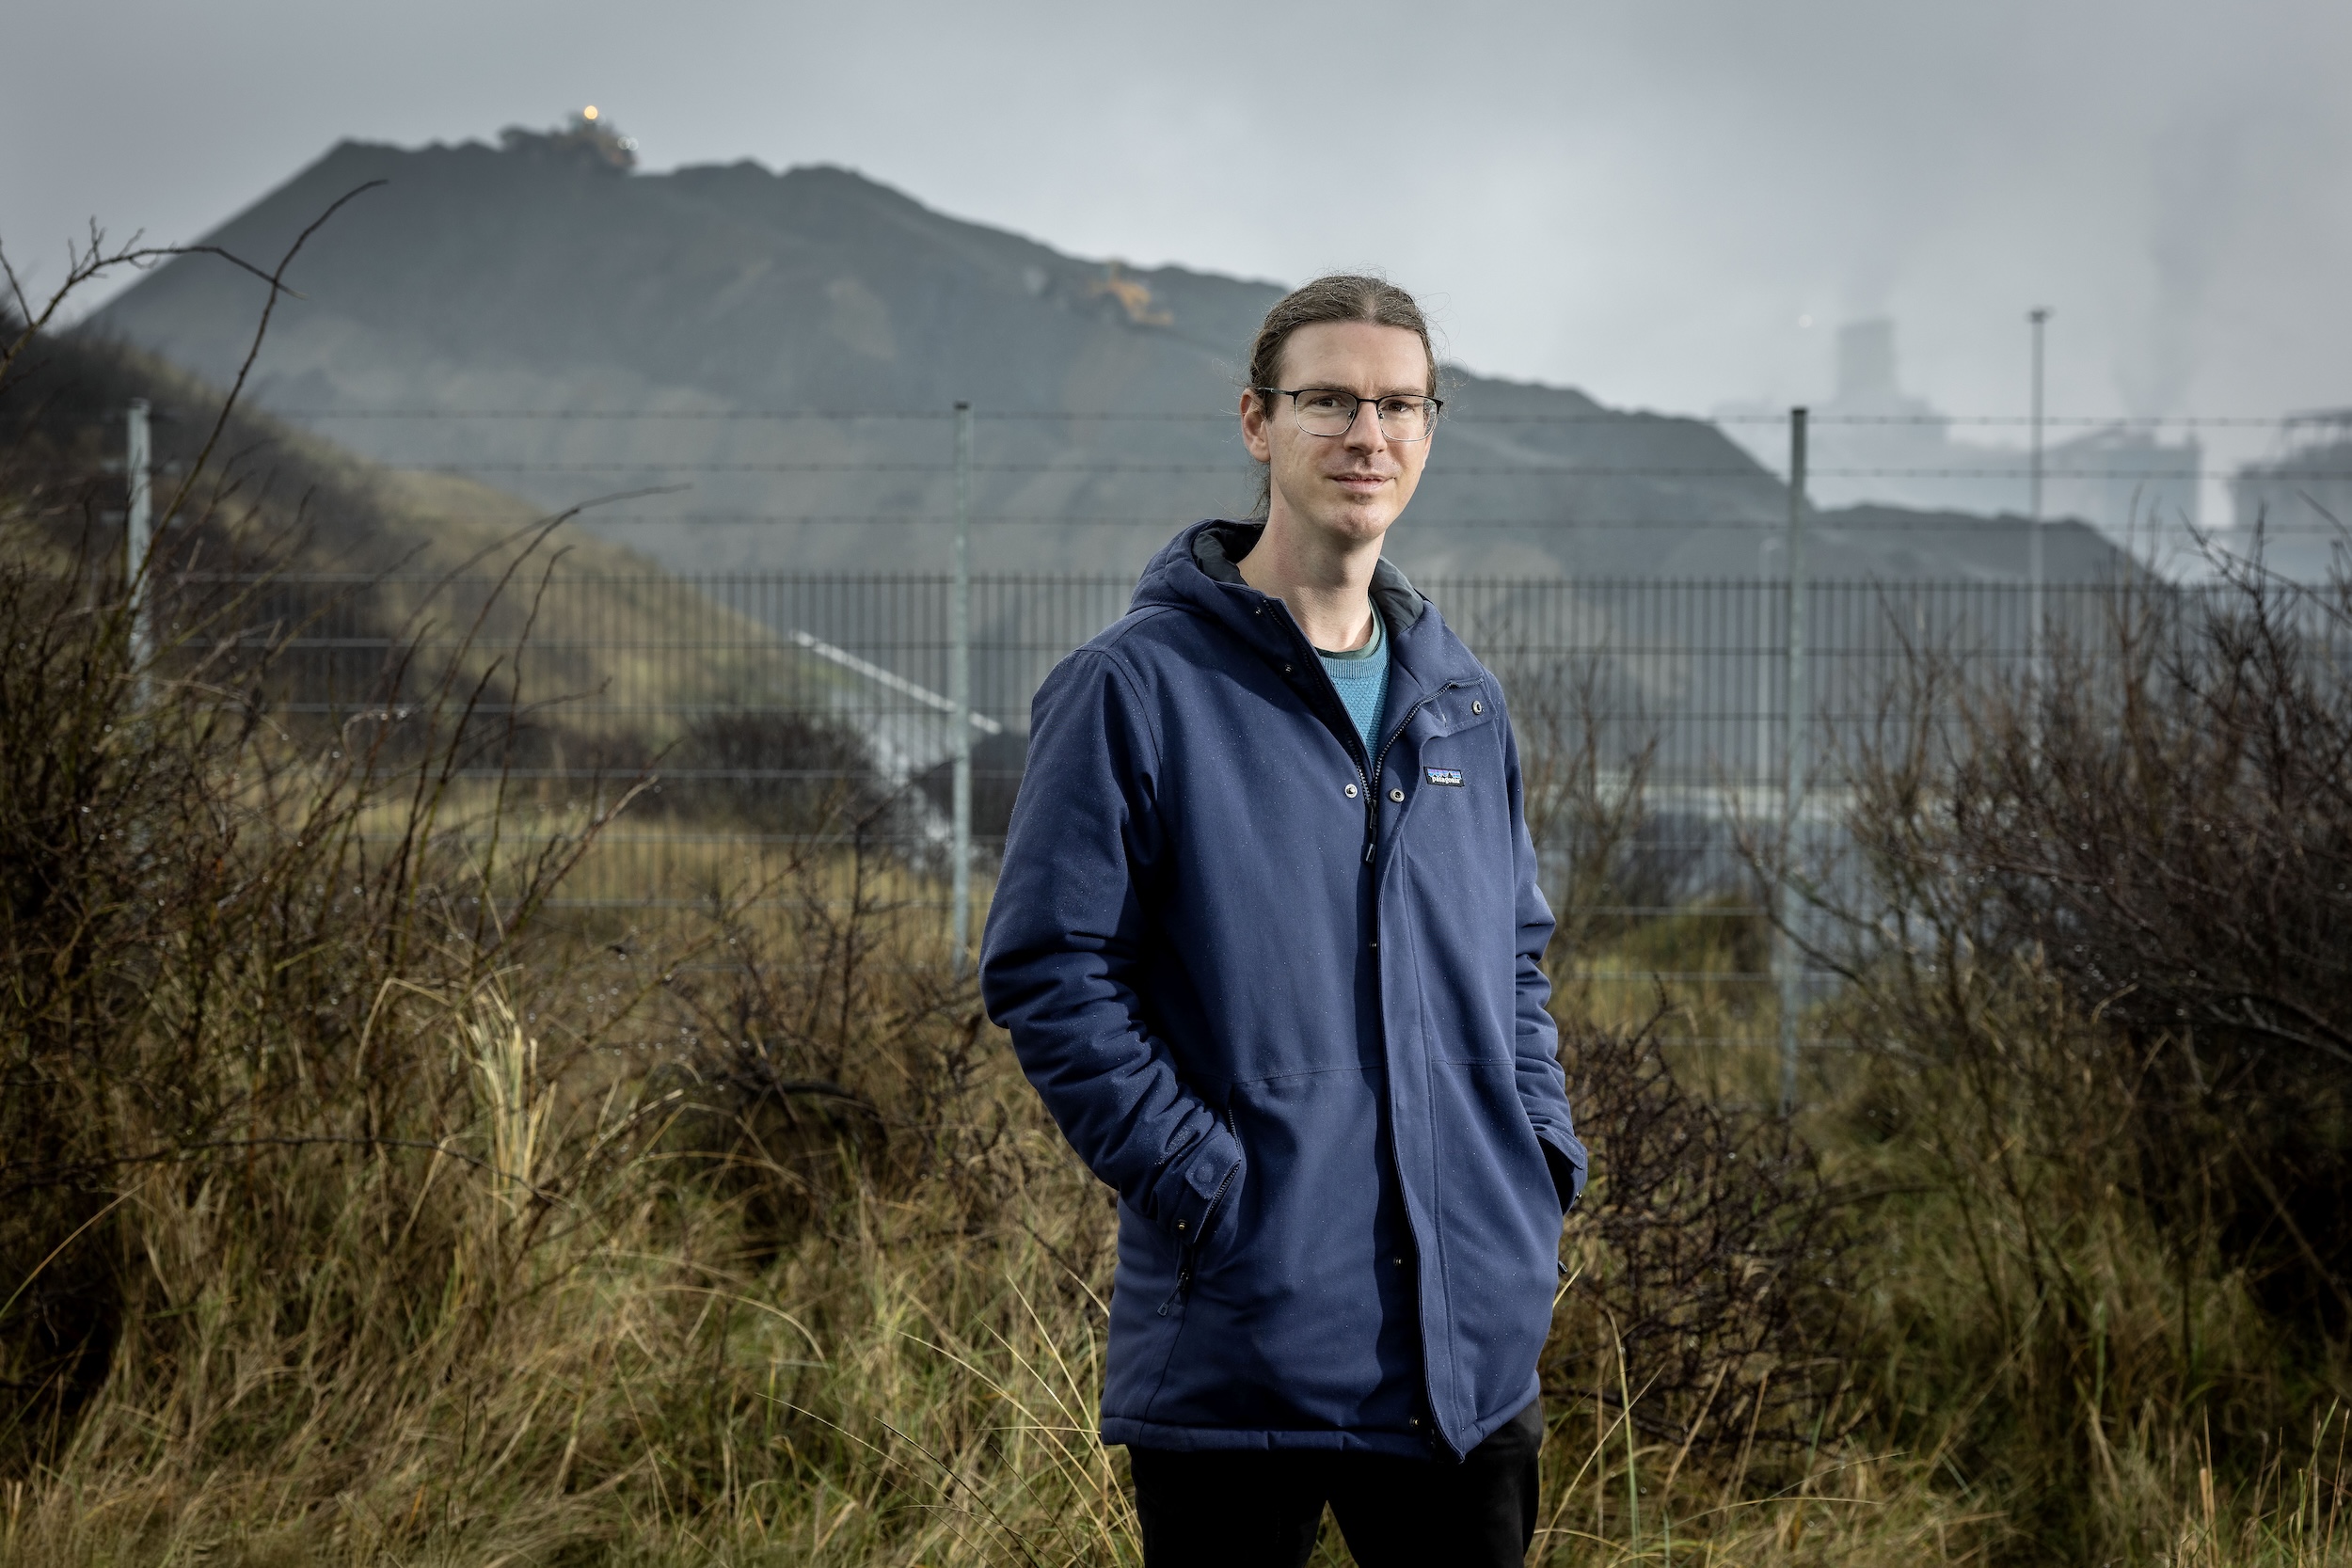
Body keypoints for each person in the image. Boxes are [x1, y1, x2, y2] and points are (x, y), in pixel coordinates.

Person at [979, 275, 1586, 1568]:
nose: (1368, 435)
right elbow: (1050, 969)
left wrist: (1533, 1155)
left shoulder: (1463, 703)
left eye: (1401, 406)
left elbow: (1514, 959)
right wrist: (1204, 1182)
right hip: (1243, 1338)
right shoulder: (1133, 689)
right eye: (1329, 401)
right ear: (1259, 422)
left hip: (1465, 1349)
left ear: (1429, 431)